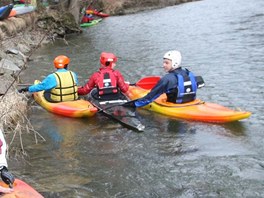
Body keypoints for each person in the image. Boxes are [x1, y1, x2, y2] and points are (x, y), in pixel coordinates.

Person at [124, 50, 199, 107]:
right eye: (164, 62)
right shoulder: (189, 73)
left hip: (175, 106)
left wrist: (131, 104)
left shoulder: (167, 79)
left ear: (175, 63)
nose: (163, 65)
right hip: (192, 103)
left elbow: (149, 98)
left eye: (166, 63)